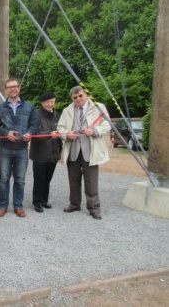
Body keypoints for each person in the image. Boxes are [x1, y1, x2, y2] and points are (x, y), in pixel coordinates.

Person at [57, 86, 111, 220]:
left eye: (80, 96)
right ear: (72, 98)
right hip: (73, 150)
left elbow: (107, 124)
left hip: (91, 150)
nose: (78, 99)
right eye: (75, 97)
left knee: (91, 181)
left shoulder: (99, 107)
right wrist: (67, 135)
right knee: (73, 180)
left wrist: (95, 130)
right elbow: (60, 128)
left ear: (86, 94)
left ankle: (94, 208)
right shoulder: (67, 110)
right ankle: (74, 204)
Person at [0, 78, 39, 218]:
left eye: (15, 86)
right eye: (9, 87)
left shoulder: (29, 107)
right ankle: (3, 205)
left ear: (19, 88)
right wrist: (5, 133)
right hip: (5, 149)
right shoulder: (0, 108)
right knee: (4, 179)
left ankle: (18, 206)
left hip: (22, 149)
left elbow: (35, 124)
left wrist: (29, 133)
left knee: (20, 179)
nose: (13, 89)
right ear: (6, 90)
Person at [29, 92, 62, 213]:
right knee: (39, 179)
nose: (50, 104)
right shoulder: (35, 115)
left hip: (53, 153)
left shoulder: (57, 115)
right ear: (42, 103)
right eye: (47, 102)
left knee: (47, 179)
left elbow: (62, 130)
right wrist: (49, 133)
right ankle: (36, 201)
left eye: (52, 102)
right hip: (39, 153)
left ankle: (44, 200)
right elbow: (35, 132)